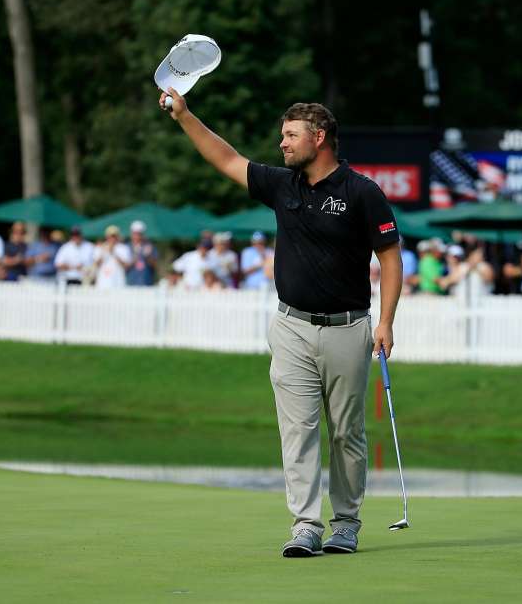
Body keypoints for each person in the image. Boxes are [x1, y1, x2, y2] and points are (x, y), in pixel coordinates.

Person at [162, 90, 401, 557]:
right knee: (297, 429)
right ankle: (307, 525)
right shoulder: (281, 184)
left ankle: (346, 523)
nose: (283, 145)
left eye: (291, 136)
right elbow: (227, 158)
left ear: (320, 136)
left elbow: (390, 259)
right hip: (290, 326)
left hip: (348, 328)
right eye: (282, 137)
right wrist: (185, 117)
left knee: (346, 432)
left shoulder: (362, 192)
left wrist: (386, 321)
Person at [93, 225, 132, 289]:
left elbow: (126, 266)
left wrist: (114, 253)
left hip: (118, 283)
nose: (112, 238)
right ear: (106, 236)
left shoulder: (124, 248)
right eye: (110, 236)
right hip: (103, 283)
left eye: (114, 236)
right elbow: (96, 264)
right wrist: (104, 252)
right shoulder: (99, 247)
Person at [126, 220, 159, 287]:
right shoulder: (126, 247)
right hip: (130, 284)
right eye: (135, 233)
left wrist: (148, 256)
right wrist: (134, 257)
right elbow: (124, 267)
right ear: (131, 234)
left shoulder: (150, 246)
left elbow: (155, 265)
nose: (137, 236)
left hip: (147, 284)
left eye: (139, 234)